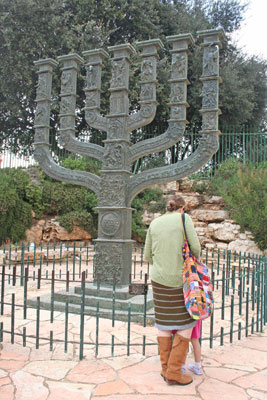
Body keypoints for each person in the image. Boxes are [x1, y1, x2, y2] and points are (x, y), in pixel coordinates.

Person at [144, 194, 201, 386]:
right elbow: (196, 248)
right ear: (181, 208)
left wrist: (161, 265)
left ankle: (165, 369)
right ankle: (174, 372)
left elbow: (147, 255)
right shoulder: (184, 220)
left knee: (164, 324)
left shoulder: (155, 223)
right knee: (187, 323)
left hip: (159, 279)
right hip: (181, 280)